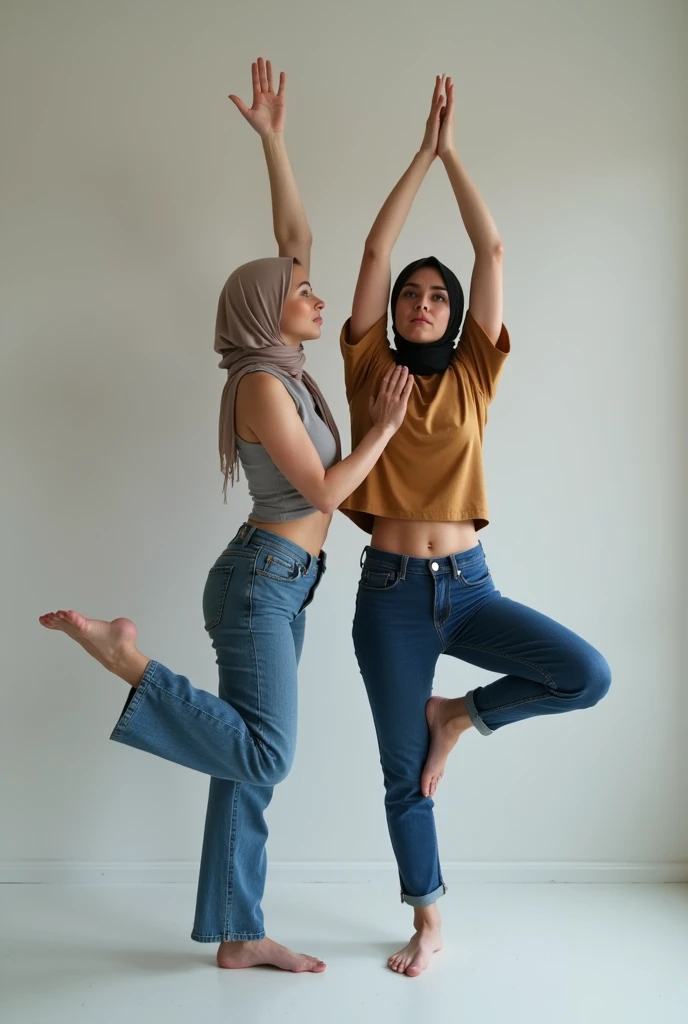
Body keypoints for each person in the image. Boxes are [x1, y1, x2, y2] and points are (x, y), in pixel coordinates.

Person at [39, 58, 412, 975]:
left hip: (283, 584)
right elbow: (327, 493)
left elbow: (295, 233)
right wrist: (387, 428)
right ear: (265, 313)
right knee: (269, 755)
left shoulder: (282, 365)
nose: (316, 293)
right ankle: (129, 660)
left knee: (243, 762)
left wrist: (274, 141)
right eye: (301, 292)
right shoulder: (258, 384)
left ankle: (239, 935)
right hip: (260, 583)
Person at [340, 75, 611, 978]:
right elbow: (376, 246)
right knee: (400, 772)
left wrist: (451, 152)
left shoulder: (472, 377)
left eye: (437, 296)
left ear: (456, 317)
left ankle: (460, 714)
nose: (421, 300)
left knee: (584, 674)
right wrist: (413, 155)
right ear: (392, 310)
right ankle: (427, 919)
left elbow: (489, 244)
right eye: (411, 292)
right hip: (388, 597)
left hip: (469, 584)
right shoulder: (368, 361)